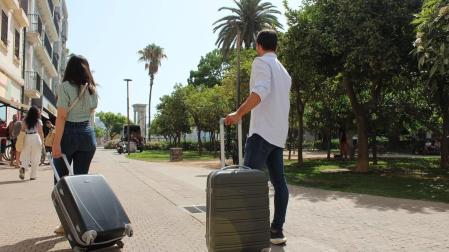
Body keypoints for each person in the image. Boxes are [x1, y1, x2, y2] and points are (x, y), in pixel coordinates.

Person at [224, 30, 291, 245]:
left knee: (249, 184)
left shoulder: (261, 62)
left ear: (259, 46)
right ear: (276, 47)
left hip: (262, 134)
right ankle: (277, 232)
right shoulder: (284, 72)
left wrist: (238, 113)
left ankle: (249, 233)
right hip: (278, 136)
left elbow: (260, 92)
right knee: (279, 184)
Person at [52, 55, 98, 235]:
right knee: (81, 181)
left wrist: (56, 144)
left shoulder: (65, 87)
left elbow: (62, 117)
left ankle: (65, 224)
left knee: (61, 182)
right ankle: (82, 223)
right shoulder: (92, 90)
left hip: (68, 135)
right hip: (88, 135)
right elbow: (90, 113)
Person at [18, 106, 44, 180]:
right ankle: (33, 176)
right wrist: (43, 142)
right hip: (36, 137)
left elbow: (22, 130)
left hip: (27, 137)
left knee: (25, 154)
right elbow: (41, 132)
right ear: (36, 113)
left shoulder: (25, 120)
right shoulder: (38, 121)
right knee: (35, 157)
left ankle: (23, 168)